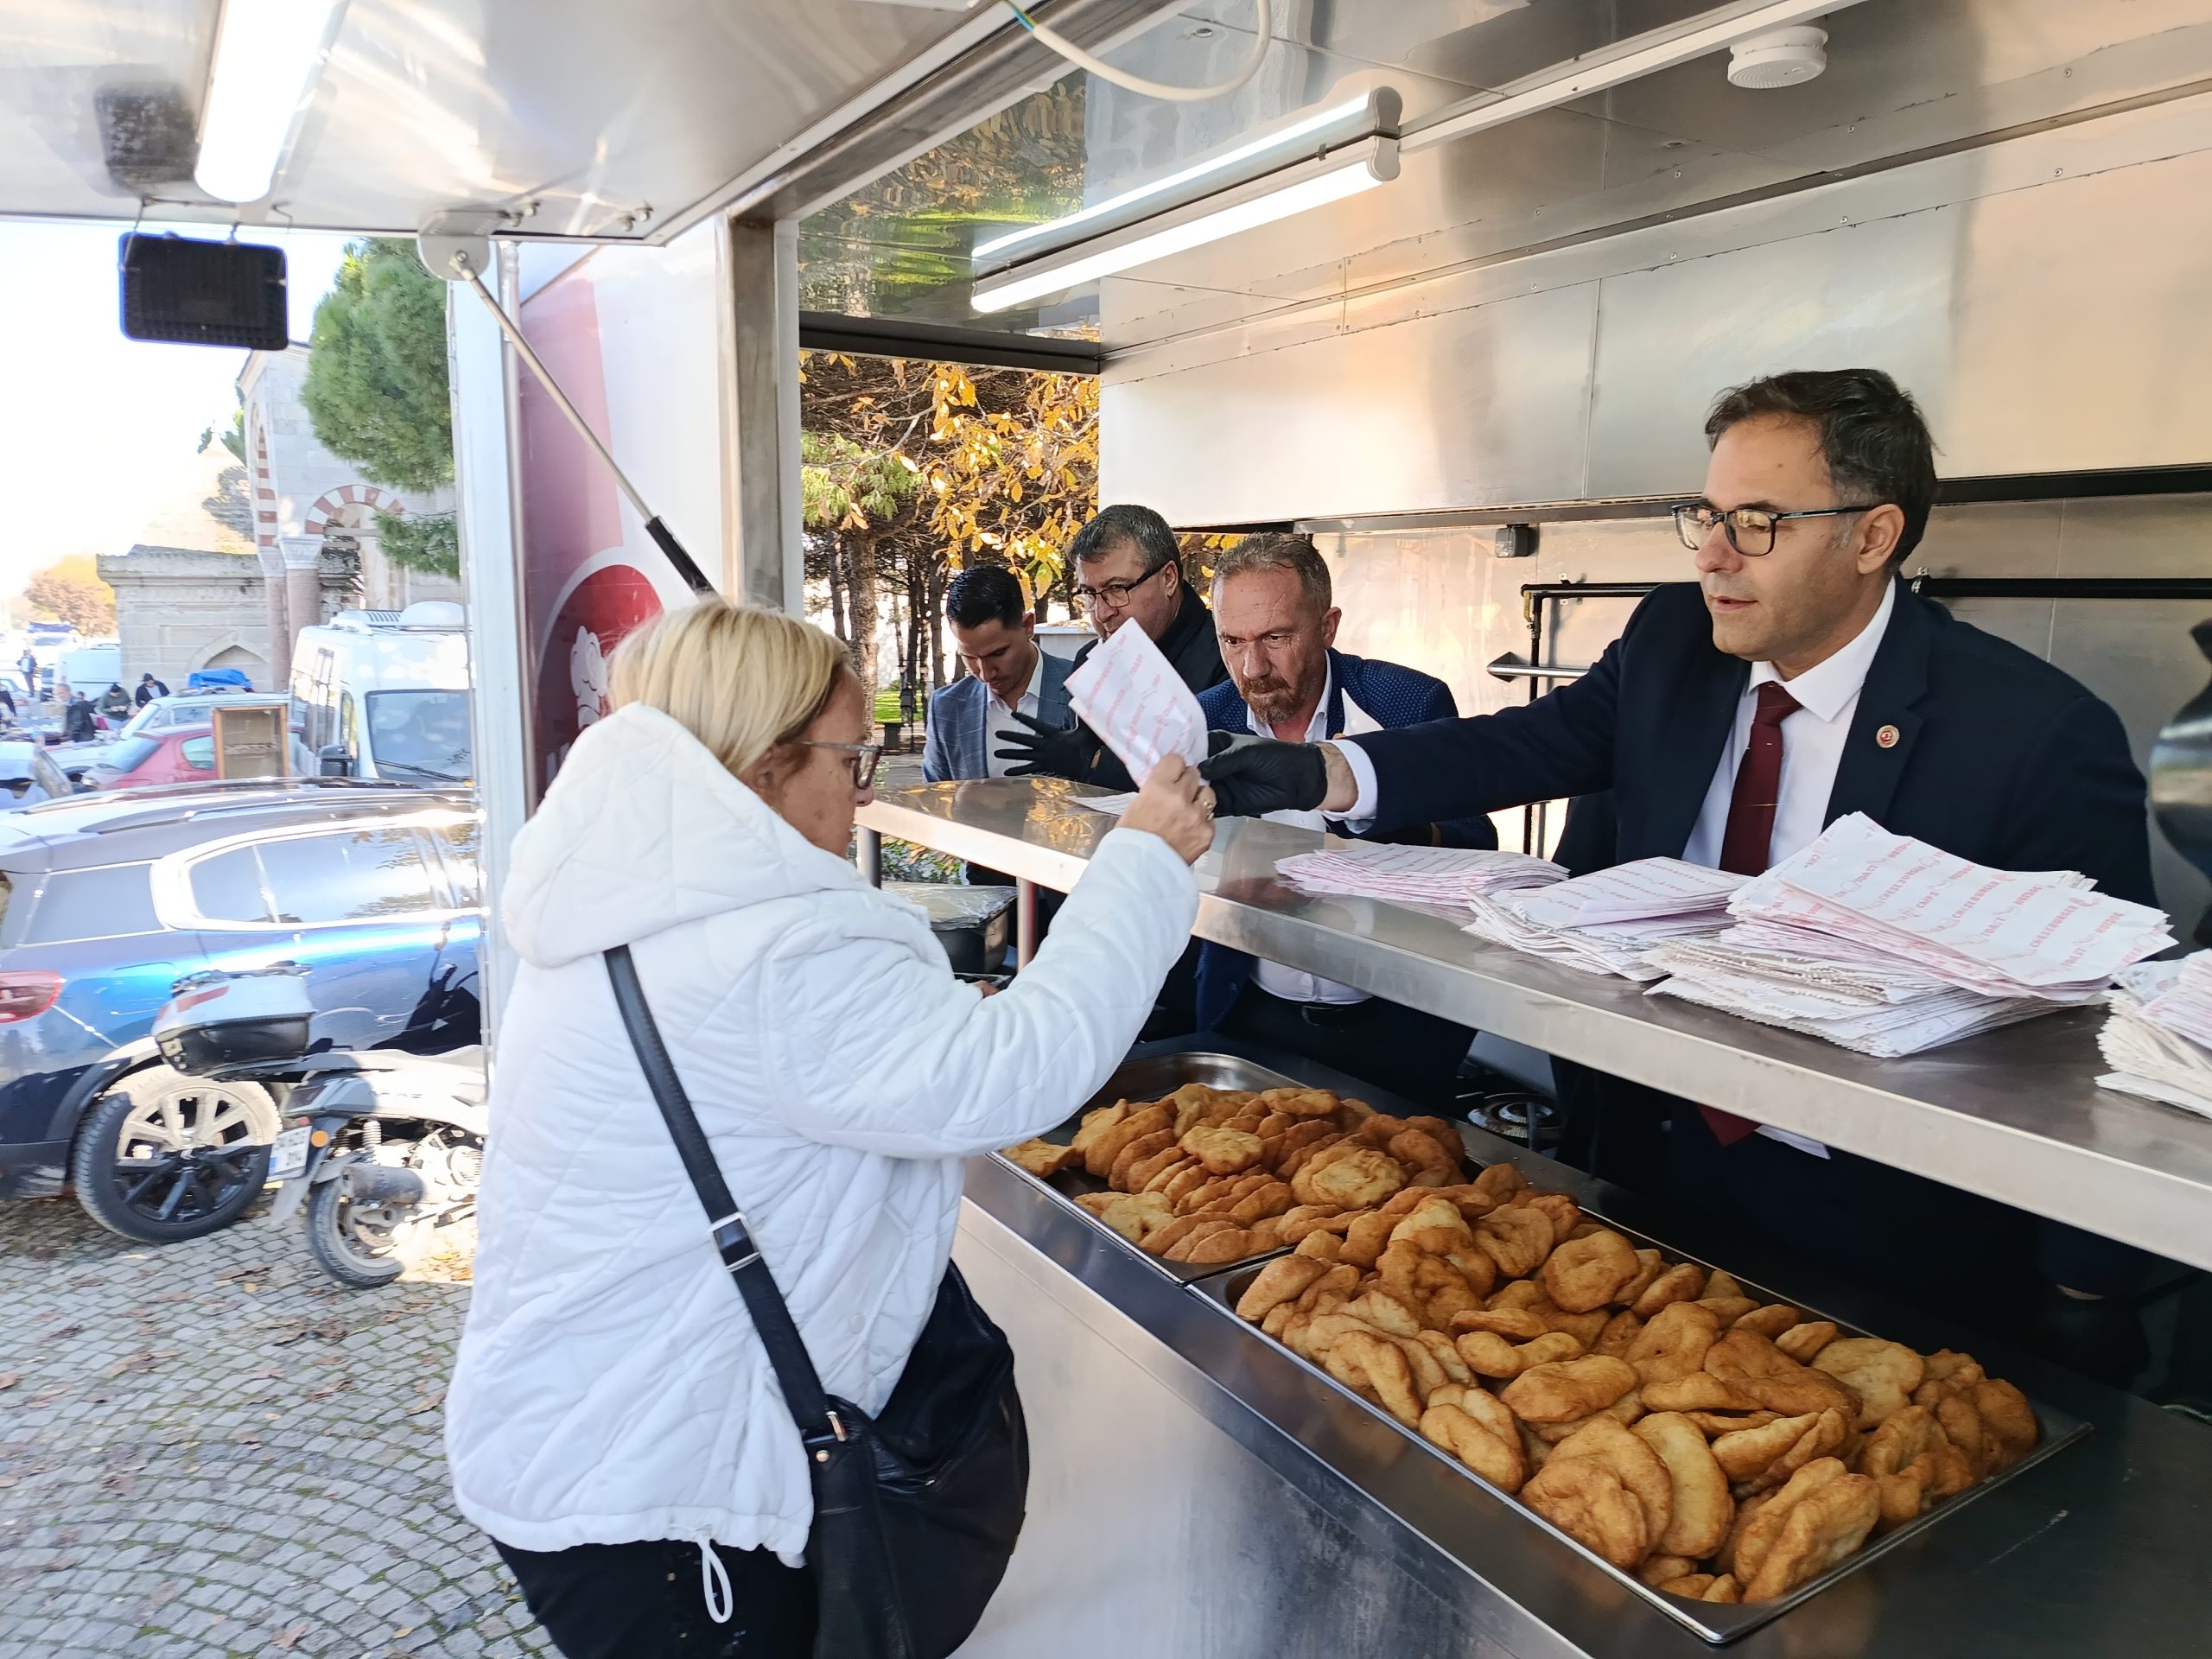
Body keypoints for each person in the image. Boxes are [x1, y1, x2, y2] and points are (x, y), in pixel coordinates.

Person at [1201, 367, 2155, 1352]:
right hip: (1661, 1156)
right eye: (1704, 514)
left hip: (1886, 1223)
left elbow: (2099, 1040)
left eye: (1756, 522)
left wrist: (2084, 1299)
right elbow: (1520, 744)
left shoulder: (2032, 736)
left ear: (1871, 536)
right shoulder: (1674, 644)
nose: (1713, 554)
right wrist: (1316, 772)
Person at [444, 596, 1215, 1659]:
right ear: (762, 765)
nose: (861, 797)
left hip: (588, 1434)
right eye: (851, 763)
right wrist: (1143, 861)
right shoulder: (775, 949)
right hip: (669, 1496)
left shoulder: (626, 898)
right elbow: (1016, 1074)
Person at [1193, 532, 1495, 1107]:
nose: (1252, 667)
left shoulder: (1407, 705)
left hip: (1394, 1025)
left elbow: (1474, 842)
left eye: (1277, 637)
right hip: (1246, 1009)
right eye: (1232, 641)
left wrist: (1383, 817)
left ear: (1328, 627)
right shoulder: (1207, 715)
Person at [995, 503, 1227, 786]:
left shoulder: (1230, 655)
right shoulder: (1091, 660)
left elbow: (1211, 776)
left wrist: (1094, 764)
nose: (1102, 612)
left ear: (1168, 578)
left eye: (1117, 589)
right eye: (1090, 594)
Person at [922, 565, 1073, 784]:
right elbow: (934, 803)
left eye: (997, 653)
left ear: (1028, 626)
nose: (985, 674)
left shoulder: (1084, 688)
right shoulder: (946, 707)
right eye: (970, 657)